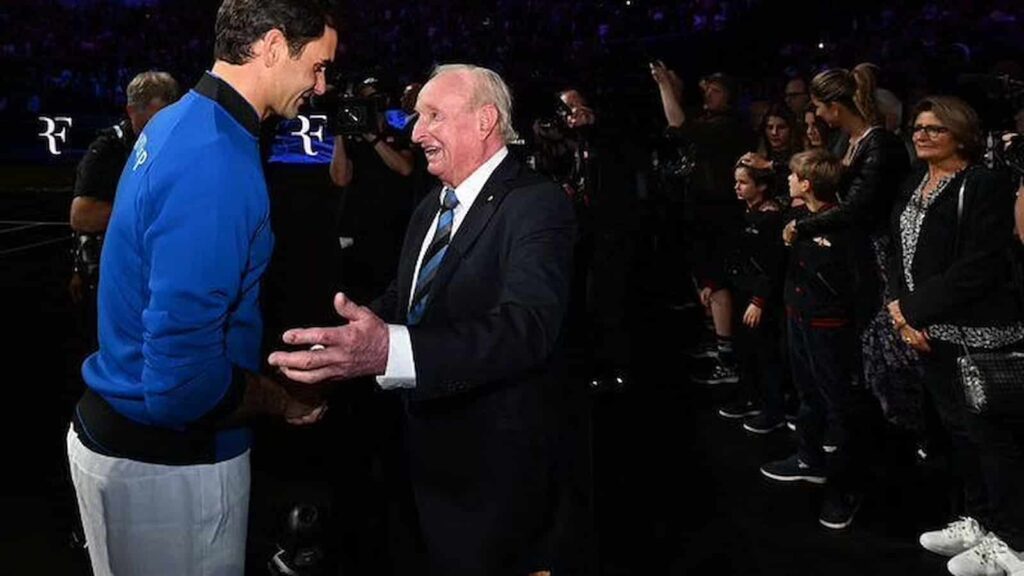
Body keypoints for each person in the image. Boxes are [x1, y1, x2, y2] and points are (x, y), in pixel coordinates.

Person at [268, 64, 577, 576]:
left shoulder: (535, 204)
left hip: (491, 475)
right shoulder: (432, 202)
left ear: (485, 121)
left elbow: (528, 328)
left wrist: (391, 351)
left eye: (433, 115)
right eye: (417, 117)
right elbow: (408, 297)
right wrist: (350, 341)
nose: (416, 132)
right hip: (418, 461)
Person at [65, 2, 338, 575]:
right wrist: (283, 399)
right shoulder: (214, 157)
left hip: (129, 437)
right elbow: (181, 384)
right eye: (316, 65)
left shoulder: (184, 117)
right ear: (270, 47)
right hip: (169, 468)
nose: (321, 85)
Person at [887, 97, 1024, 576]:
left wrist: (911, 309)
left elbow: (979, 267)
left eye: (935, 129)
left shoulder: (984, 184)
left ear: (962, 136)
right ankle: (981, 524)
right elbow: (896, 255)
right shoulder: (913, 182)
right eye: (918, 127)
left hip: (979, 334)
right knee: (959, 435)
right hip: (928, 333)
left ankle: (1014, 543)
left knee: (994, 440)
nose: (921, 135)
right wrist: (903, 316)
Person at [762, 149, 877, 531]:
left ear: (807, 183)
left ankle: (845, 489)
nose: (788, 181)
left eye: (794, 176)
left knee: (839, 406)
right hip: (798, 319)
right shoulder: (796, 217)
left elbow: (863, 284)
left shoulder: (844, 228)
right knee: (807, 394)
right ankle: (808, 458)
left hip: (831, 327)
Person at [68, 70, 180, 350]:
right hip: (111, 276)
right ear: (131, 111)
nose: (159, 128)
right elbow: (82, 215)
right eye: (151, 120)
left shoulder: (181, 144)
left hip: (160, 275)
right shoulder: (109, 149)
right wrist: (153, 212)